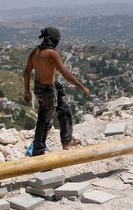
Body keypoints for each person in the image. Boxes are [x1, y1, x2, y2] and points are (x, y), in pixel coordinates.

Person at [23, 27, 90, 156]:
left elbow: (26, 71)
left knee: (64, 110)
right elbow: (66, 74)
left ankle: (67, 140)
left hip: (42, 87)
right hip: (48, 90)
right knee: (44, 121)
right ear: (54, 41)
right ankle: (38, 151)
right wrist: (82, 87)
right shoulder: (52, 54)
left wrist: (26, 91)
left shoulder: (35, 52)